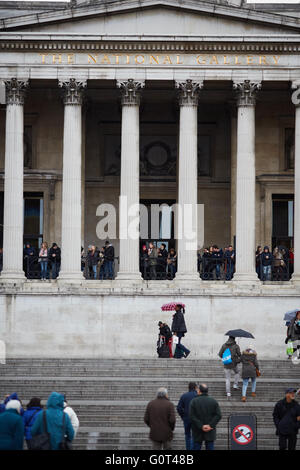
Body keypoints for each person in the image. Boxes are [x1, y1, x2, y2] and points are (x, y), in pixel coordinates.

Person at [189, 383, 222, 451]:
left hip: (197, 430)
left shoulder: (194, 401)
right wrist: (210, 425)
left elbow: (191, 416)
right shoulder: (213, 401)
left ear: (199, 391)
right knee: (210, 447)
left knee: (196, 447)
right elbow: (218, 415)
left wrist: (201, 426)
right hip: (210, 431)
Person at [177, 382, 199, 450]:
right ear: (195, 387)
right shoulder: (198, 396)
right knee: (195, 435)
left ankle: (188, 448)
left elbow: (179, 408)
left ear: (188, 388)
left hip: (187, 418)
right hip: (196, 419)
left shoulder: (184, 396)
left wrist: (183, 416)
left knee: (187, 435)